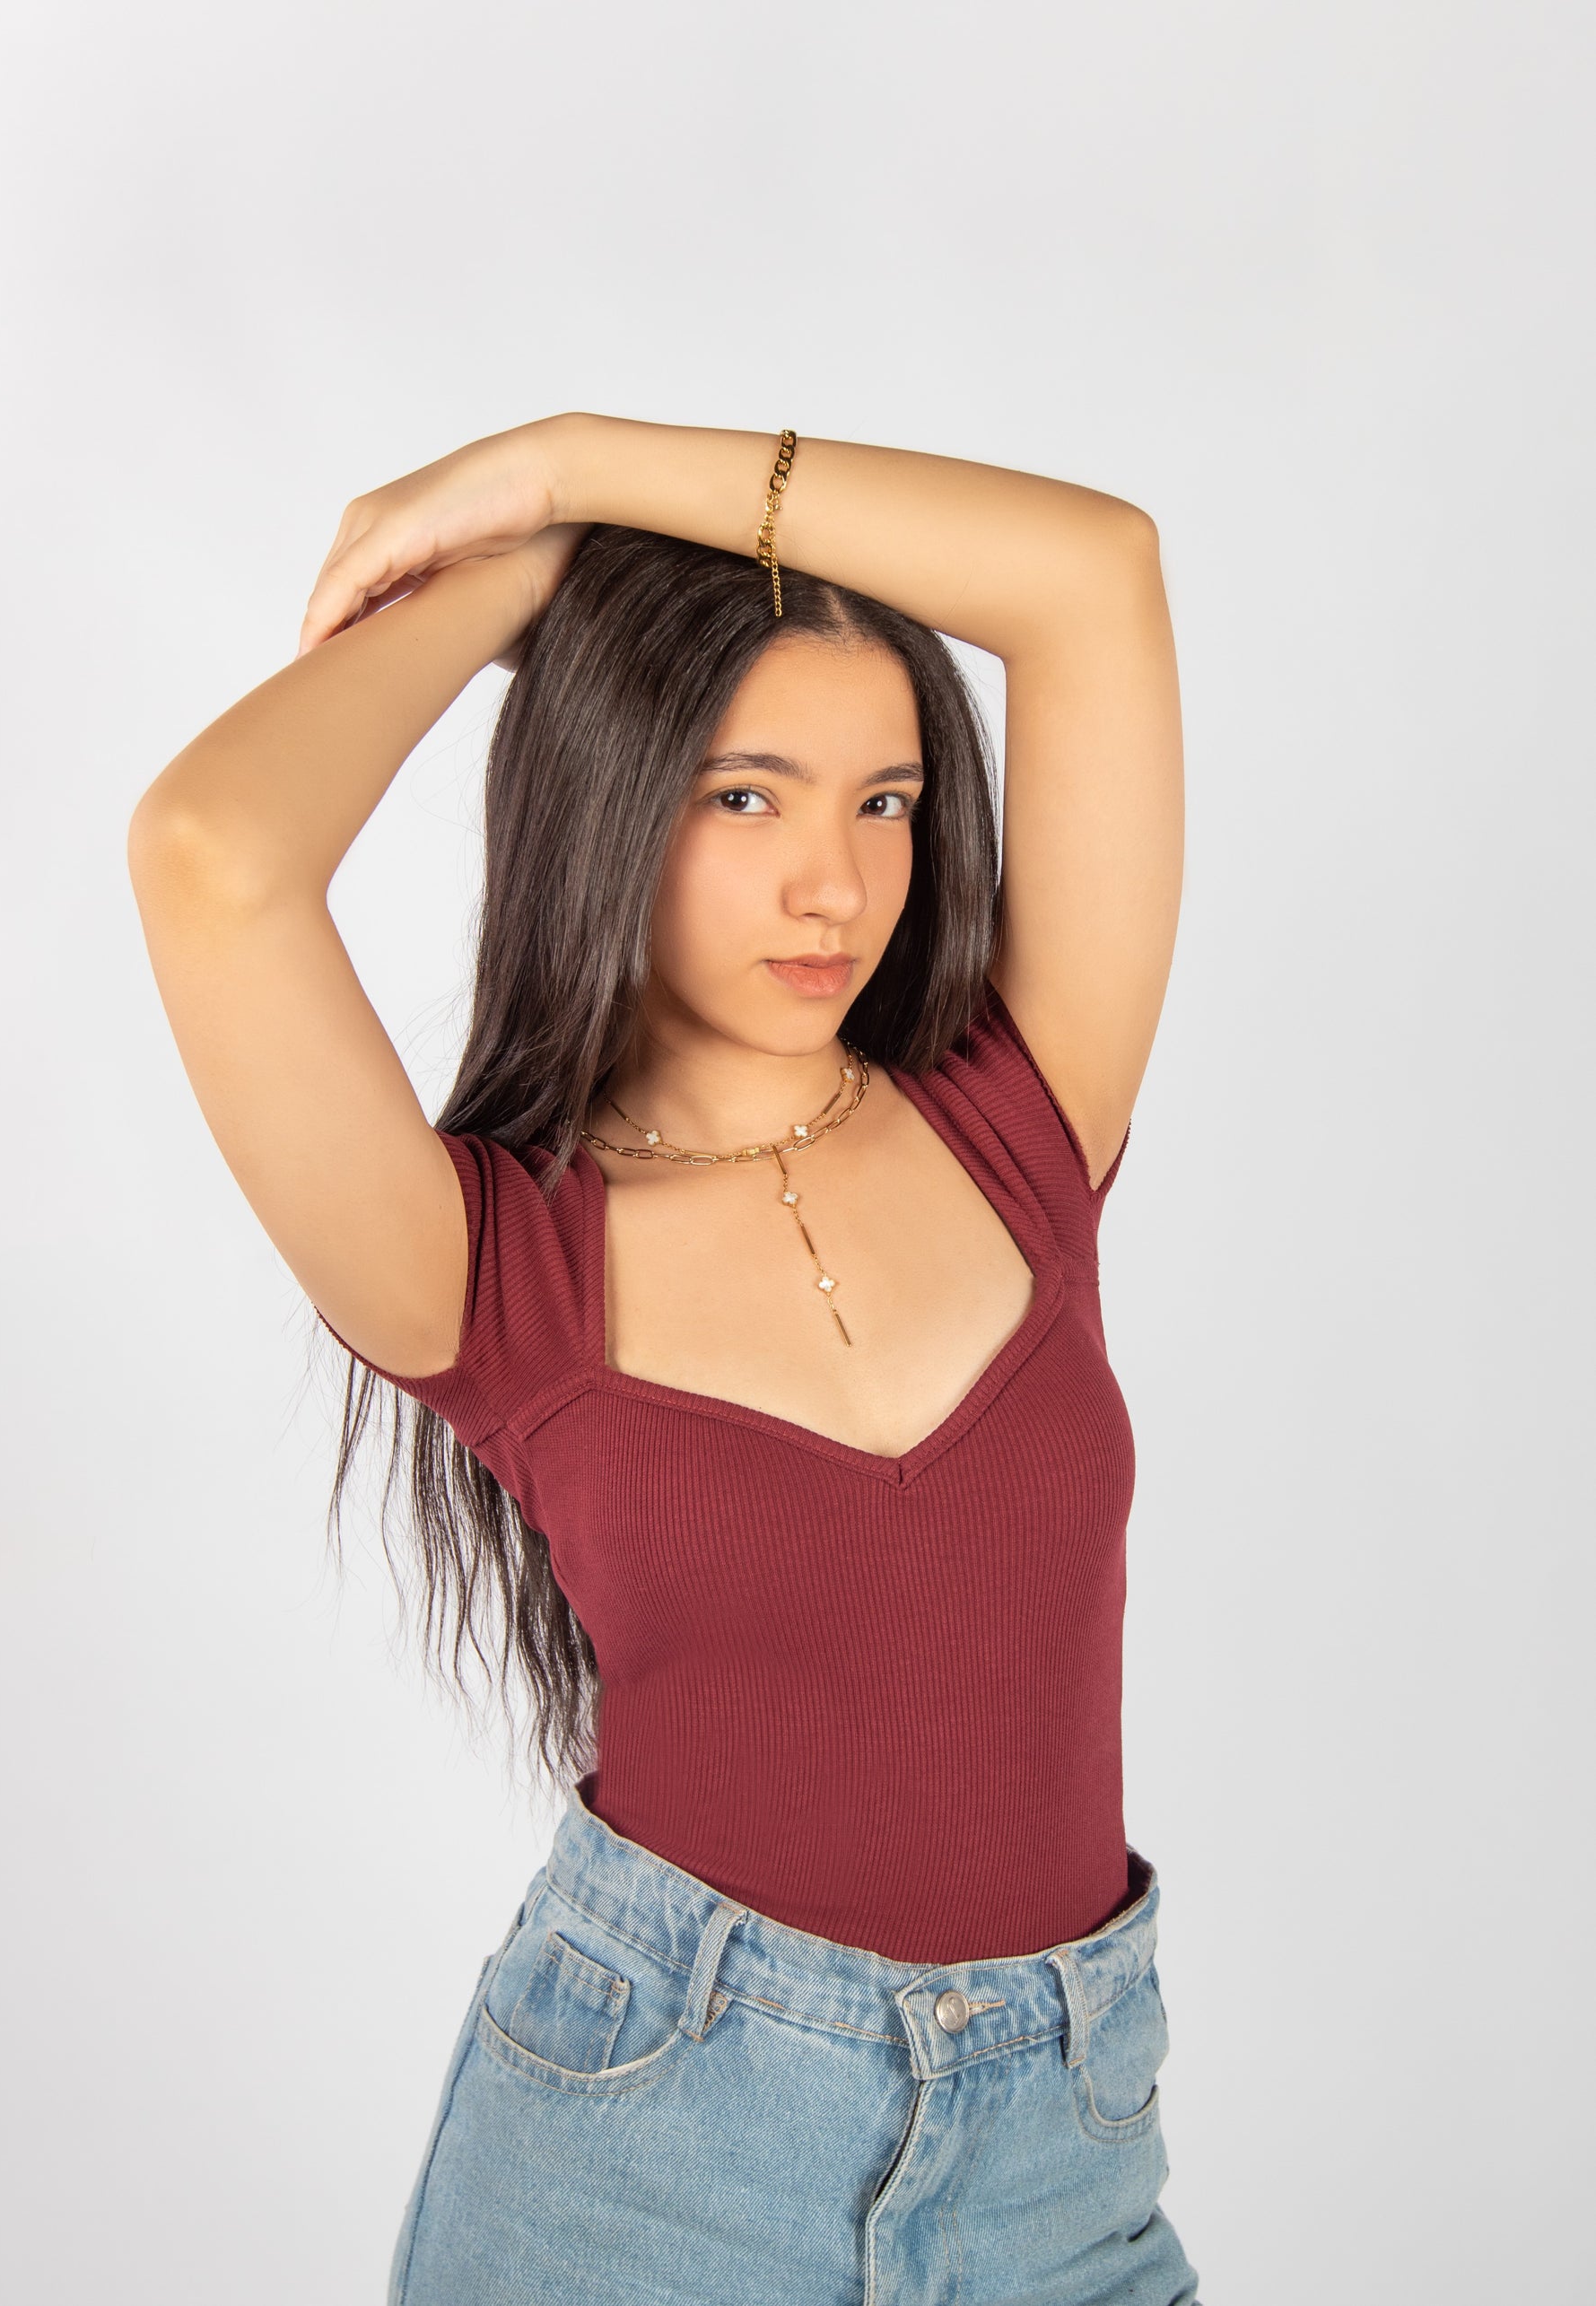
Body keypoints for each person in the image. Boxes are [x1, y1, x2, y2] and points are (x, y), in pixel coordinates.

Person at [126, 413, 1194, 2304]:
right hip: (647, 2163)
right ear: (612, 789)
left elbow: (1092, 573)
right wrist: (539, 585)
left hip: (1060, 2157)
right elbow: (209, 852)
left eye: (883, 802)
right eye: (744, 797)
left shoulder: (1019, 1122)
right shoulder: (489, 1266)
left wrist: (571, 468)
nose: (834, 884)